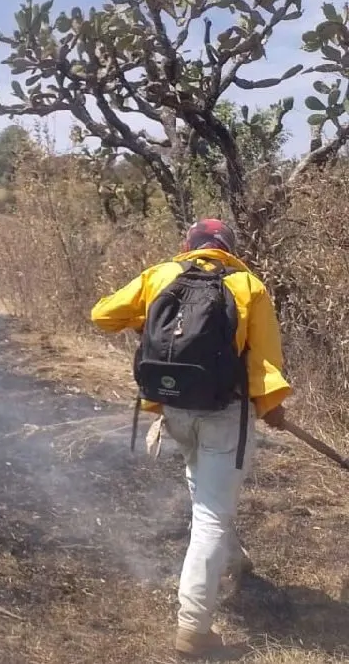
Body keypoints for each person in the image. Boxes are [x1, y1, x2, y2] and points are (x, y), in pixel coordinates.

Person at [90, 219, 291, 659]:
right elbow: (264, 363)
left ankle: (234, 560)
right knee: (212, 517)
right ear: (228, 248)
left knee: (205, 490)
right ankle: (193, 630)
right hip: (224, 414)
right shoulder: (247, 285)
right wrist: (272, 407)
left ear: (189, 245)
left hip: (174, 410)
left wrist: (141, 321)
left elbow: (102, 314)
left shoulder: (161, 275)